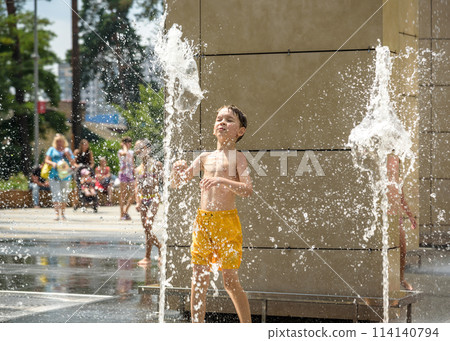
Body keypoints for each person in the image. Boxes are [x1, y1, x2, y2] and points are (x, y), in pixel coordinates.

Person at [170, 105, 252, 323]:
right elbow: (177, 183)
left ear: (240, 131)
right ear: (214, 128)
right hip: (203, 222)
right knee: (199, 277)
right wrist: (175, 171)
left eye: (229, 120)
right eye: (219, 119)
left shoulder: (238, 158)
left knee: (230, 281)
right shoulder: (204, 157)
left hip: (227, 223)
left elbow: (247, 189)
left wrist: (222, 180)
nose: (222, 122)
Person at [387, 154, 418, 291]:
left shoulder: (399, 181)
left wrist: (411, 217)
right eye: (393, 164)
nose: (395, 166)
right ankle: (388, 280)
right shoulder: (381, 180)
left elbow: (402, 201)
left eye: (397, 164)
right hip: (386, 218)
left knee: (402, 250)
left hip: (396, 219)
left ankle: (401, 279)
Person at [134, 139, 163, 266]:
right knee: (146, 229)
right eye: (137, 148)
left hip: (154, 198)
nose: (139, 150)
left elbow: (164, 181)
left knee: (147, 225)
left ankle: (159, 249)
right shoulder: (137, 169)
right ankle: (149, 256)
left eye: (141, 147)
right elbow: (137, 187)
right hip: (143, 200)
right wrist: (138, 202)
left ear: (148, 149)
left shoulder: (156, 164)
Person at [45, 134, 76, 220]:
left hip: (65, 175)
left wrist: (68, 155)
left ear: (63, 141)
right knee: (55, 195)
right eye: (57, 141)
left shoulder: (67, 150)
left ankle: (62, 213)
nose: (59, 143)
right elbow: (46, 160)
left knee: (64, 195)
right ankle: (56, 214)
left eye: (60, 141)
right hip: (54, 175)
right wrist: (52, 163)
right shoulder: (51, 149)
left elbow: (73, 162)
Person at [73, 139, 95, 210]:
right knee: (77, 187)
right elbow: (74, 163)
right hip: (79, 172)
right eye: (84, 144)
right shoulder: (77, 152)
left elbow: (92, 163)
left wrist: (89, 169)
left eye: (86, 144)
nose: (85, 146)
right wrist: (79, 167)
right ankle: (75, 203)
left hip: (87, 172)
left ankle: (92, 201)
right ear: (81, 145)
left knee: (90, 185)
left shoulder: (89, 152)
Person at [118, 136, 135, 220]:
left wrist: (135, 173)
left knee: (133, 193)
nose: (129, 144)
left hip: (130, 174)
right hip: (123, 174)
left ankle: (125, 211)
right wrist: (124, 146)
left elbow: (132, 163)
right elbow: (124, 153)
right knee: (123, 194)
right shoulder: (121, 151)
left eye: (130, 142)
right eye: (127, 143)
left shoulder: (131, 152)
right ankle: (122, 214)